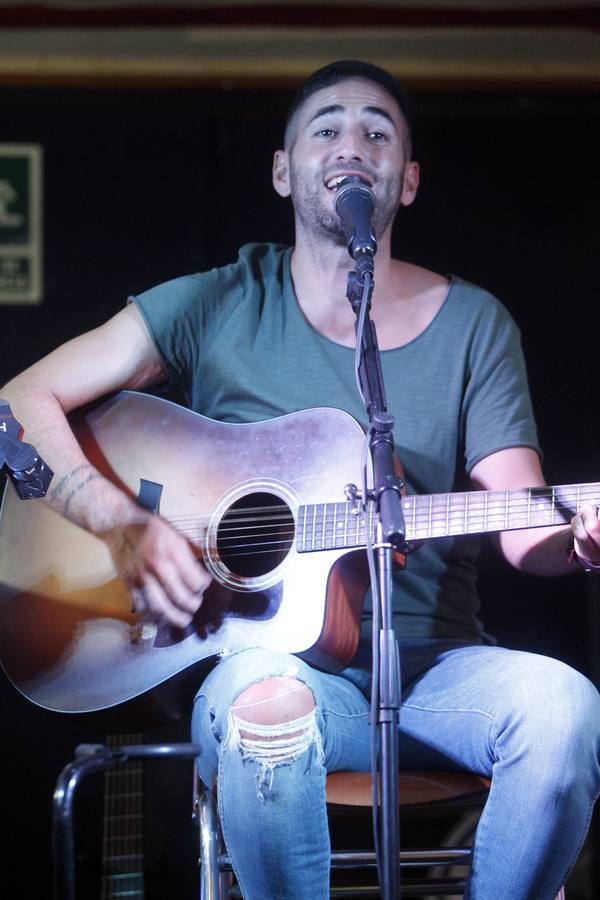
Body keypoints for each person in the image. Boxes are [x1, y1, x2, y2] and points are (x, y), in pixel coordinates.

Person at [3, 59, 600, 899]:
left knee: (564, 709)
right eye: (326, 128)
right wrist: (121, 523)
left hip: (438, 675)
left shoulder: (475, 324)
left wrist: (575, 538)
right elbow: (20, 400)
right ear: (285, 170)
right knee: (269, 709)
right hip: (268, 671)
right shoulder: (216, 305)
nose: (351, 144)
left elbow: (524, 521)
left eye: (377, 132)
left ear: (409, 179)